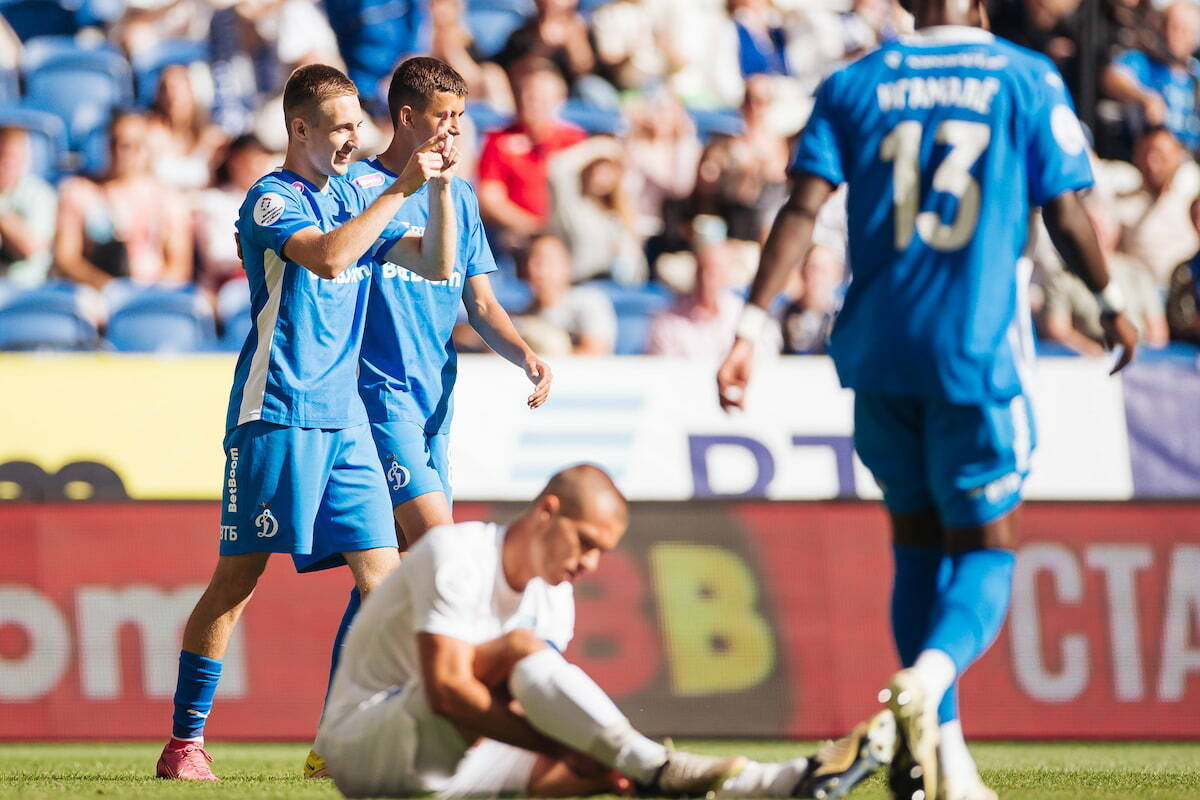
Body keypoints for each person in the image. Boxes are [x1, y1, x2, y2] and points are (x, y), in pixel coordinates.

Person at [716, 2, 1140, 799]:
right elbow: (1067, 207)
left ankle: (943, 757)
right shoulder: (1023, 76)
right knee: (986, 546)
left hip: (877, 353)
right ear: (980, 5)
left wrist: (748, 325)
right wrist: (1111, 298)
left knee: (913, 543)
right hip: (975, 355)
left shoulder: (856, 83)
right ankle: (928, 681)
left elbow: (802, 210)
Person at [155, 63, 459, 782]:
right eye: (342, 127)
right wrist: (401, 189)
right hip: (278, 413)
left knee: (385, 583)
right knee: (237, 582)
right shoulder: (270, 199)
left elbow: (436, 262)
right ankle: (184, 744)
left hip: (345, 415)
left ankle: (356, 738)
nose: (357, 138)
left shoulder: (357, 193)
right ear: (300, 130)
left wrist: (438, 191)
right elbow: (328, 259)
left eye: (359, 124)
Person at [315, 463, 898, 800]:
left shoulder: (557, 602)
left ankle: (779, 784)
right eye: (586, 542)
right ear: (546, 513)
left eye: (603, 552)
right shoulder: (456, 551)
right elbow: (447, 690)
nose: (591, 564)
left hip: (442, 767)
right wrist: (569, 745)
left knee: (608, 778)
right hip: (361, 748)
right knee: (558, 704)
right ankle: (661, 766)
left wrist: (585, 757)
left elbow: (534, 706)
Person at [302, 57, 554, 778]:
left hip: (434, 400)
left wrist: (525, 355)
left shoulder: (461, 198)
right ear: (407, 118)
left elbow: (478, 301)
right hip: (377, 400)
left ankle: (334, 733)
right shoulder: (355, 190)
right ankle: (472, 720)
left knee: (384, 576)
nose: (453, 130)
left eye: (460, 118)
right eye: (442, 117)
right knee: (445, 558)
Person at [54, 111, 193, 290]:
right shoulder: (78, 191)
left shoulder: (168, 198)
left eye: (132, 145)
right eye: (115, 142)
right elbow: (66, 258)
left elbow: (179, 265)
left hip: (154, 294)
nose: (122, 151)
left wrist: (146, 295)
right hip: (96, 295)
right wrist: (109, 288)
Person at [477, 60, 586, 249]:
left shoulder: (574, 140)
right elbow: (491, 199)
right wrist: (535, 228)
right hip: (519, 238)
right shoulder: (499, 140)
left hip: (568, 235)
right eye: (523, 94)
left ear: (558, 100)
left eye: (538, 97)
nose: (528, 101)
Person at [1041, 201, 1168, 353]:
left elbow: (1157, 331)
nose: (1095, 231)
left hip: (1139, 356)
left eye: (1100, 225)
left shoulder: (1136, 271)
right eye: (1089, 225)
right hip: (1085, 359)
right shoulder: (1061, 278)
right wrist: (1092, 351)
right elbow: (1057, 329)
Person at [648, 239, 780, 359]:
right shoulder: (668, 320)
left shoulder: (744, 315)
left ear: (727, 274)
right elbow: (664, 371)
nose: (706, 279)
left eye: (714, 271)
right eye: (702, 269)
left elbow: (764, 356)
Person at [1103, 0, 1200, 153]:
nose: (1173, 36)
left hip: (1189, 160)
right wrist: (1144, 98)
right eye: (1168, 27)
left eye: (1182, 30)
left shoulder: (1195, 73)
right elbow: (1112, 79)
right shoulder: (1141, 61)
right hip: (1147, 159)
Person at [1112, 125, 1200, 288]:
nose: (1152, 163)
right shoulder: (1121, 204)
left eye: (1160, 155)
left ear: (1177, 156)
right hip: (1142, 296)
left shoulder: (1192, 193)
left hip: (1189, 291)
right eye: (1146, 154)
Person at [516, 233, 617, 355]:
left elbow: (596, 354)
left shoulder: (590, 302)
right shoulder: (519, 319)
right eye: (527, 261)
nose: (533, 269)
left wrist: (551, 353)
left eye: (541, 261)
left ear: (566, 265)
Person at [0, 125, 56, 287]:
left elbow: (30, 248)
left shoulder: (39, 194)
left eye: (11, 157)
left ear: (25, 158)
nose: (5, 164)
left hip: (27, 291)